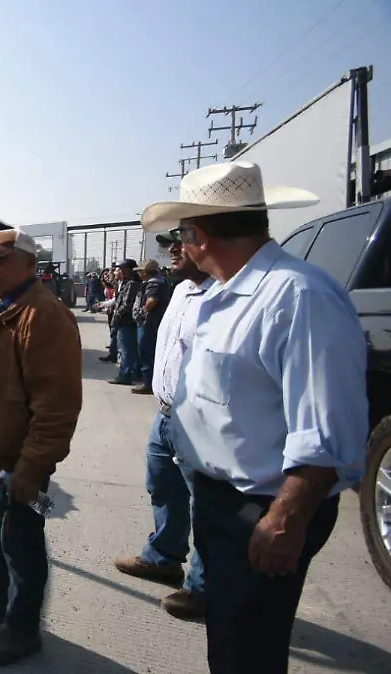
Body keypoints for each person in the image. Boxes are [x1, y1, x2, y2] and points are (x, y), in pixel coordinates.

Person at [143, 161, 366, 673]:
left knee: (249, 652)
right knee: (229, 638)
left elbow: (329, 428)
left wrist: (286, 518)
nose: (181, 244)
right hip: (224, 502)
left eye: (182, 233)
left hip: (265, 510)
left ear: (197, 234)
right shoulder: (227, 292)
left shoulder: (298, 297)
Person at [0, 230, 82, 667]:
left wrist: (31, 468)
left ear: (29, 263)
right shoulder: (6, 308)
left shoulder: (44, 316)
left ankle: (23, 628)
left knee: (22, 542)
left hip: (19, 464)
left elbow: (56, 407)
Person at [113, 228, 213, 620]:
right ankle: (163, 557)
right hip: (167, 412)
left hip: (199, 422)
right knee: (163, 488)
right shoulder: (182, 289)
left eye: (182, 239)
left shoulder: (224, 295)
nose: (173, 249)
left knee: (206, 506)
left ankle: (203, 589)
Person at [131, 259, 172, 395]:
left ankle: (148, 384)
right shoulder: (159, 281)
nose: (138, 274)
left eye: (140, 271)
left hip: (149, 323)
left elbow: (151, 301)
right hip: (150, 322)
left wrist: (141, 312)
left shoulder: (154, 283)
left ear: (145, 271)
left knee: (146, 353)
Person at [107, 259, 141, 385]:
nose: (119, 271)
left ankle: (124, 375)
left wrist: (116, 316)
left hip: (126, 321)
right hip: (126, 321)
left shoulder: (132, 284)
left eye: (121, 268)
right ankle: (131, 373)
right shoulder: (127, 283)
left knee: (125, 349)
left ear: (128, 269)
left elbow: (126, 304)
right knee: (128, 349)